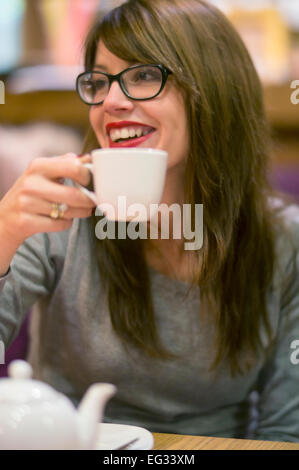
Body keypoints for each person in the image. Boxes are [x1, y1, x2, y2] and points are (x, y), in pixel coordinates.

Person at [1, 0, 299, 442]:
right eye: (99, 81)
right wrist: (4, 236)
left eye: (144, 75)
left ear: (215, 90)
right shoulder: (58, 217)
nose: (111, 101)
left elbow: (285, 430)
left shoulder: (283, 240)